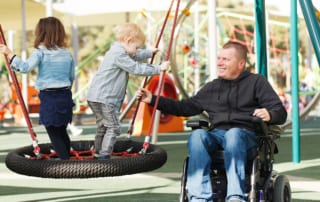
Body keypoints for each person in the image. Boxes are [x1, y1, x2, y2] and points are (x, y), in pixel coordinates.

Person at [136, 41, 287, 202]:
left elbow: (280, 112)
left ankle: (235, 196)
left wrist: (269, 114)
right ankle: (199, 197)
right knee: (198, 136)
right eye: (219, 58)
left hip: (246, 137)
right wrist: (152, 99)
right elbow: (184, 108)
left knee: (234, 134)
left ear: (240, 63)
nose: (220, 63)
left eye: (226, 60)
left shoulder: (256, 82)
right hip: (217, 135)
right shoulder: (212, 87)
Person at [86, 23, 169, 160]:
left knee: (103, 125)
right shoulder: (119, 55)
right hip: (105, 98)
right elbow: (135, 68)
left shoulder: (116, 51)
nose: (137, 50)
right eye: (137, 47)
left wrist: (148, 52)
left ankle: (98, 151)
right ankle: (104, 156)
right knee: (113, 126)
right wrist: (158, 68)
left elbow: (134, 55)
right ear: (129, 40)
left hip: (94, 96)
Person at [0, 17, 75, 160]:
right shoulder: (67, 53)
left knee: (53, 131)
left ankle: (65, 162)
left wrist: (9, 53)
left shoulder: (40, 52)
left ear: (41, 33)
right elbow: (71, 77)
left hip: (49, 97)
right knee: (61, 130)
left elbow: (25, 67)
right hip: (65, 95)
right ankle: (68, 158)